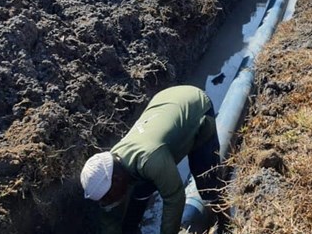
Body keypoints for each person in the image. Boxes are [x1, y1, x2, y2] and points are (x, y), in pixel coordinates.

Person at [80, 85, 221, 234]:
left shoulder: (150, 159)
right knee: (141, 190)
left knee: (207, 182)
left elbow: (175, 198)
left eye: (107, 198)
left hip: (195, 104)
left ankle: (223, 220)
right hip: (165, 101)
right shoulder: (115, 161)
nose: (107, 203)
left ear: (115, 180)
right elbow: (109, 217)